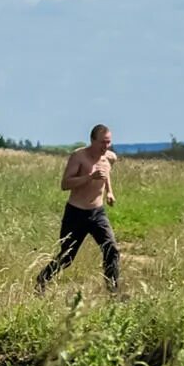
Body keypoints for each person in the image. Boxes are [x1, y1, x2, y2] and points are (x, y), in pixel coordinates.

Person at [37, 122, 119, 295]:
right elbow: (65, 184)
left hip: (98, 213)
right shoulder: (79, 157)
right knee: (67, 257)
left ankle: (113, 292)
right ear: (92, 141)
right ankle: (42, 281)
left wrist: (110, 192)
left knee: (111, 249)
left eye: (108, 142)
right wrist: (90, 177)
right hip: (76, 213)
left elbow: (106, 172)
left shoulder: (110, 157)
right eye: (102, 142)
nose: (106, 146)